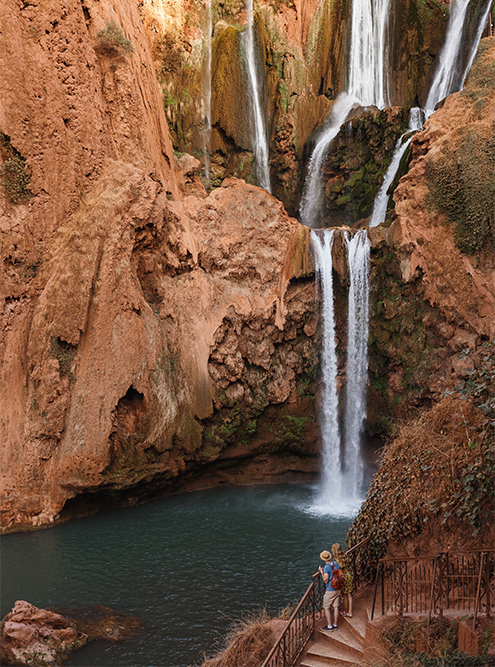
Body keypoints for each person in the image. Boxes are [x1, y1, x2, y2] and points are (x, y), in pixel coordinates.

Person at [318, 550, 340, 631]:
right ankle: (335, 624)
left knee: (326, 607)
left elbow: (326, 580)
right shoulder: (335, 564)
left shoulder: (327, 567)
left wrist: (321, 572)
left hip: (331, 590)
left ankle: (329, 626)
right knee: (336, 606)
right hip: (338, 588)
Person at [332, 542, 353, 618]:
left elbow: (337, 571)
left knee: (344, 595)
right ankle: (350, 612)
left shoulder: (336, 561)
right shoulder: (345, 556)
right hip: (348, 576)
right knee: (349, 594)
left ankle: (346, 611)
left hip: (343, 578)